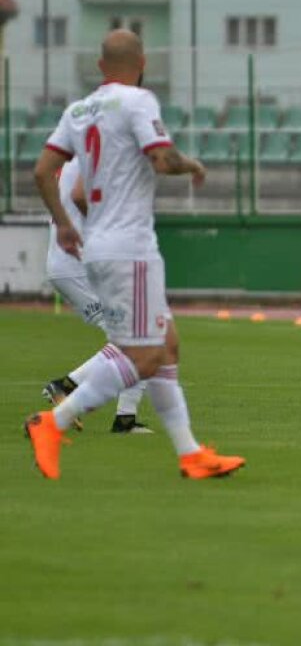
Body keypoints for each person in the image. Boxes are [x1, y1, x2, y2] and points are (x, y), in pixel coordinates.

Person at [23, 29, 245, 480]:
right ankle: (54, 422)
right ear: (142, 62)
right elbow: (162, 159)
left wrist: (65, 225)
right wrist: (192, 165)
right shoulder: (138, 102)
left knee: (167, 345)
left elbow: (45, 172)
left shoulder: (79, 111)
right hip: (132, 248)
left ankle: (190, 453)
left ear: (100, 66)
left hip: (102, 247)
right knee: (144, 356)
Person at [42, 156, 153, 434]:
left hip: (70, 264)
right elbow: (81, 197)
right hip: (77, 265)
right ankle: (65, 386)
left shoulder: (74, 157)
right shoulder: (94, 153)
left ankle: (125, 419)